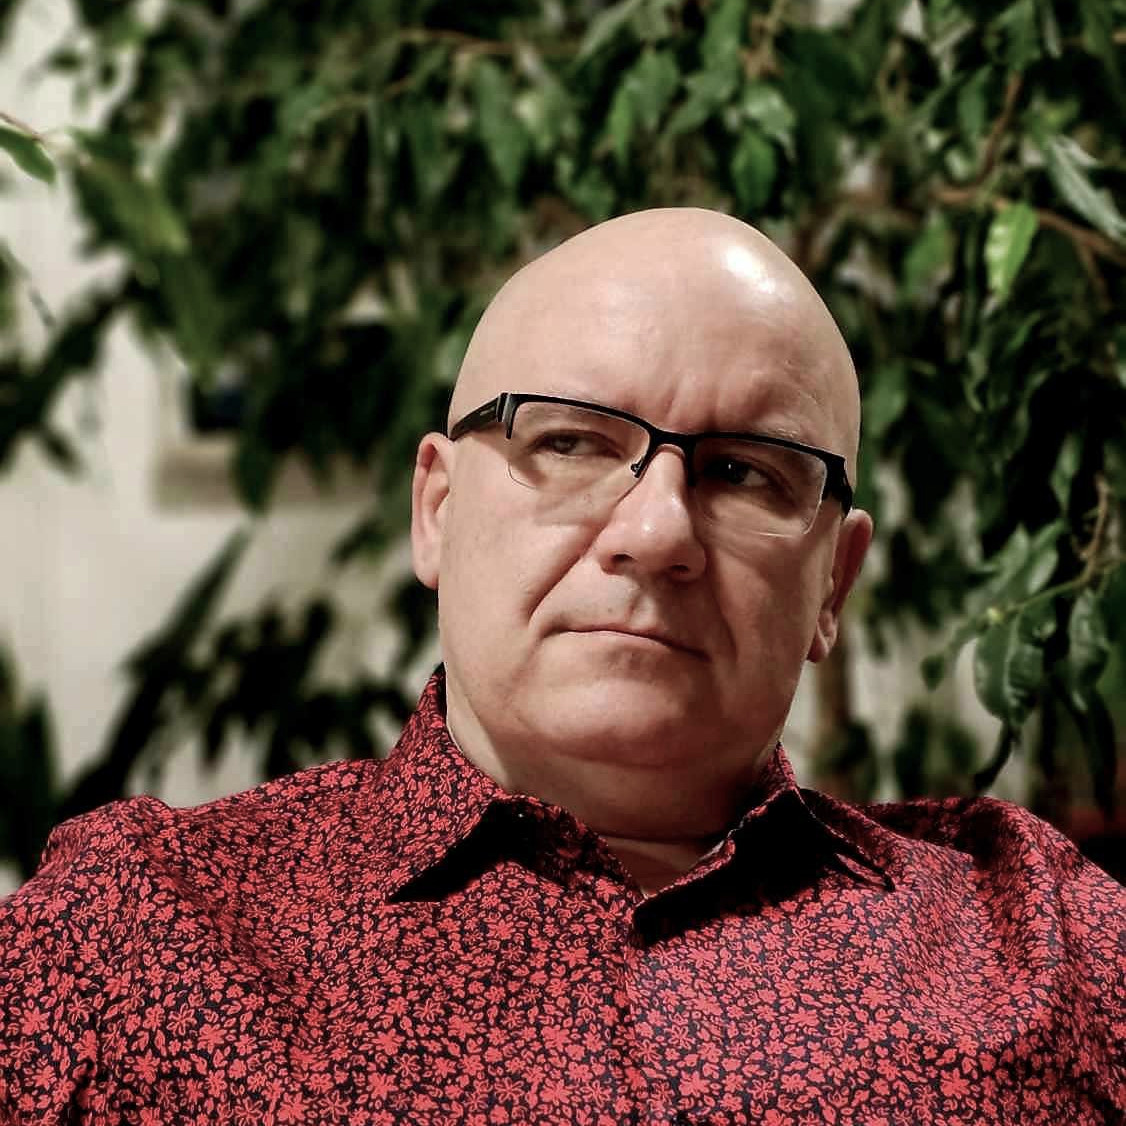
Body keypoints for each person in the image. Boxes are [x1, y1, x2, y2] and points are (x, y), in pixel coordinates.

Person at [0, 209, 1122, 1125]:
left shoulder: (1049, 946)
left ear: (833, 580)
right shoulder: (131, 939)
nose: (657, 532)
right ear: (436, 510)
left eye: (744, 471)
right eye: (574, 441)